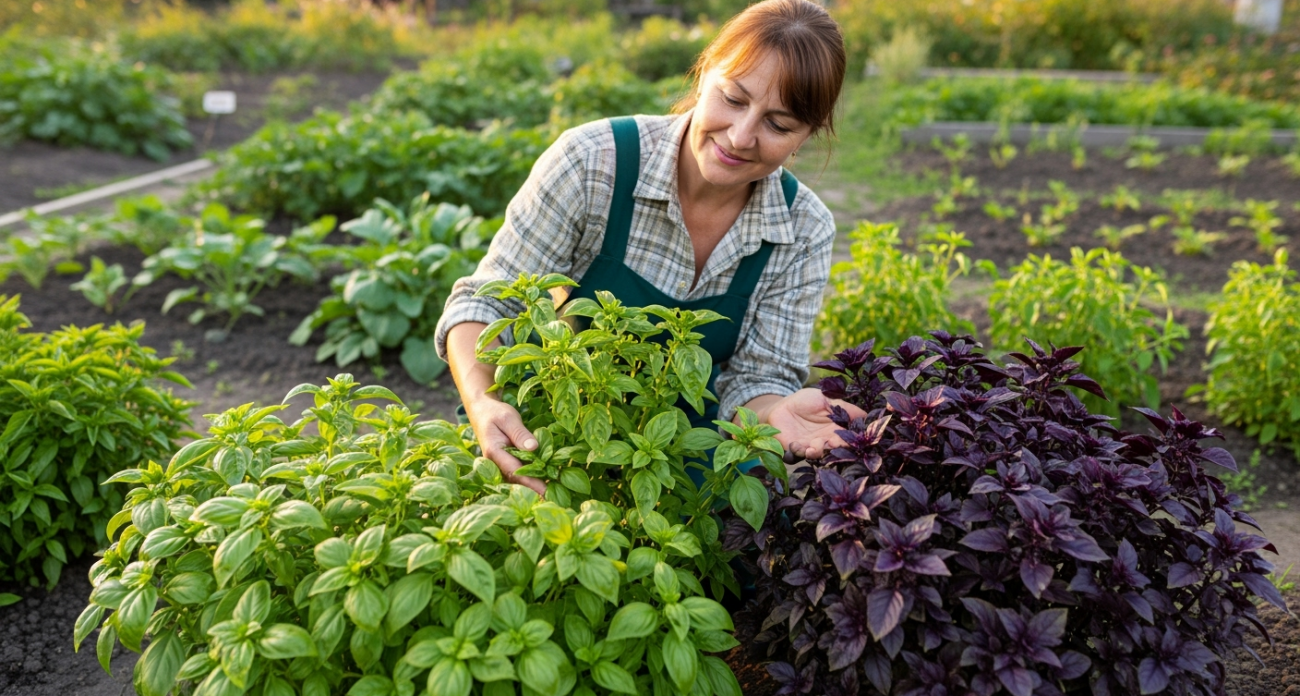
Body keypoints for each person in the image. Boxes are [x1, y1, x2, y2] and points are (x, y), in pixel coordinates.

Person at [435, 0, 863, 493]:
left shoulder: (802, 227)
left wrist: (778, 410)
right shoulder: (594, 163)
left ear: (806, 137)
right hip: (563, 436)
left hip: (691, 455)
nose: (741, 136)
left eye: (779, 125)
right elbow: (487, 300)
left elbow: (756, 381)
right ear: (704, 75)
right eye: (733, 98)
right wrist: (486, 402)